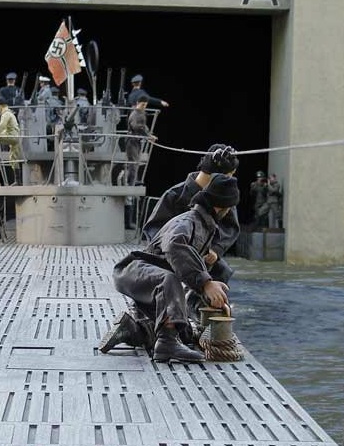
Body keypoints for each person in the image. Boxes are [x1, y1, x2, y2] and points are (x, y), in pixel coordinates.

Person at [99, 174, 239, 363]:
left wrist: (208, 293)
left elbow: (187, 263)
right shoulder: (189, 222)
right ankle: (167, 344)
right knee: (170, 280)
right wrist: (206, 283)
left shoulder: (202, 225)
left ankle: (131, 329)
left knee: (184, 332)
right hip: (136, 270)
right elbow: (174, 246)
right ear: (222, 207)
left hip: (150, 278)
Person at [142, 144, 240, 288]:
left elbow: (230, 228)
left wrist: (215, 249)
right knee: (168, 279)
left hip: (205, 254)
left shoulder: (225, 200)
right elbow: (153, 228)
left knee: (222, 271)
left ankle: (204, 300)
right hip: (168, 255)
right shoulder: (174, 195)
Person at [124, 94, 157, 187]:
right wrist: (148, 136)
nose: (144, 107)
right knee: (133, 163)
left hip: (137, 140)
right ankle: (131, 183)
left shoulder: (141, 113)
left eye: (145, 105)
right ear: (138, 103)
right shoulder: (135, 114)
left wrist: (149, 135)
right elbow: (136, 127)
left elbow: (143, 126)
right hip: (131, 141)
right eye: (142, 105)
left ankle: (134, 180)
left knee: (136, 162)